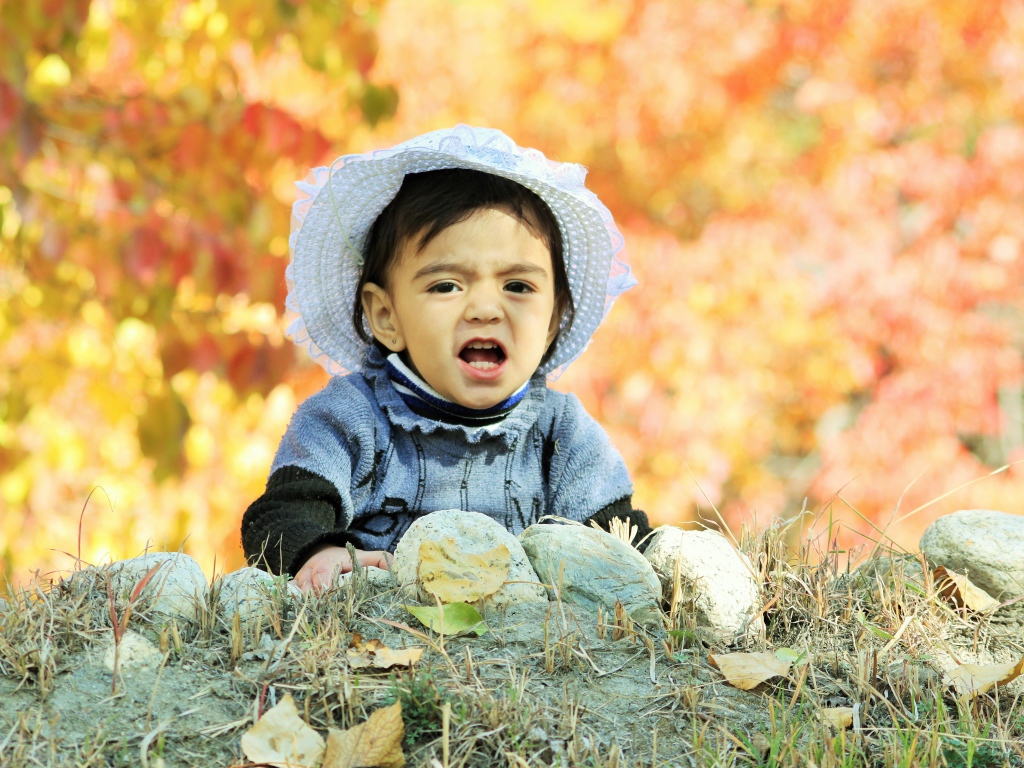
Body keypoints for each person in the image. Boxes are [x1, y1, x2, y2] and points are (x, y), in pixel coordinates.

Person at [241, 125, 651, 592]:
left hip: (520, 645)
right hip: (382, 642)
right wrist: (318, 552)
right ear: (386, 316)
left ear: (554, 317)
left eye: (518, 286)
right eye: (446, 286)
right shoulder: (349, 419)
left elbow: (623, 544)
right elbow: (282, 514)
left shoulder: (563, 436)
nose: (484, 308)